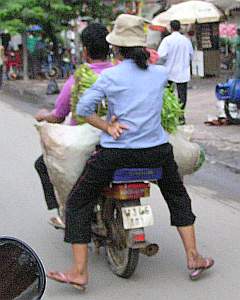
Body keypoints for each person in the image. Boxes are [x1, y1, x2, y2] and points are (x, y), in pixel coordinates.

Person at [47, 14, 214, 290]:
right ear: (143, 46)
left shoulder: (110, 76)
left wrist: (107, 126)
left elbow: (83, 110)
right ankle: (194, 256)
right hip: (157, 153)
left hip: (118, 154)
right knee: (178, 196)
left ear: (116, 48)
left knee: (78, 201)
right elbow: (153, 66)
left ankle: (79, 271)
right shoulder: (159, 75)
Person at [34, 23, 113, 228]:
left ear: (85, 51)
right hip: (116, 140)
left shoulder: (78, 78)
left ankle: (64, 212)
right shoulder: (119, 73)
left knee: (42, 164)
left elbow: (58, 116)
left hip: (84, 144)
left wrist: (43, 115)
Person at [158, 20, 193, 124]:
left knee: (168, 94)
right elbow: (191, 55)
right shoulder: (186, 40)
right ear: (180, 28)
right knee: (182, 95)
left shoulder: (167, 40)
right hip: (183, 71)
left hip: (169, 71)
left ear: (170, 28)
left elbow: (161, 55)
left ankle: (170, 115)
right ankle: (181, 116)